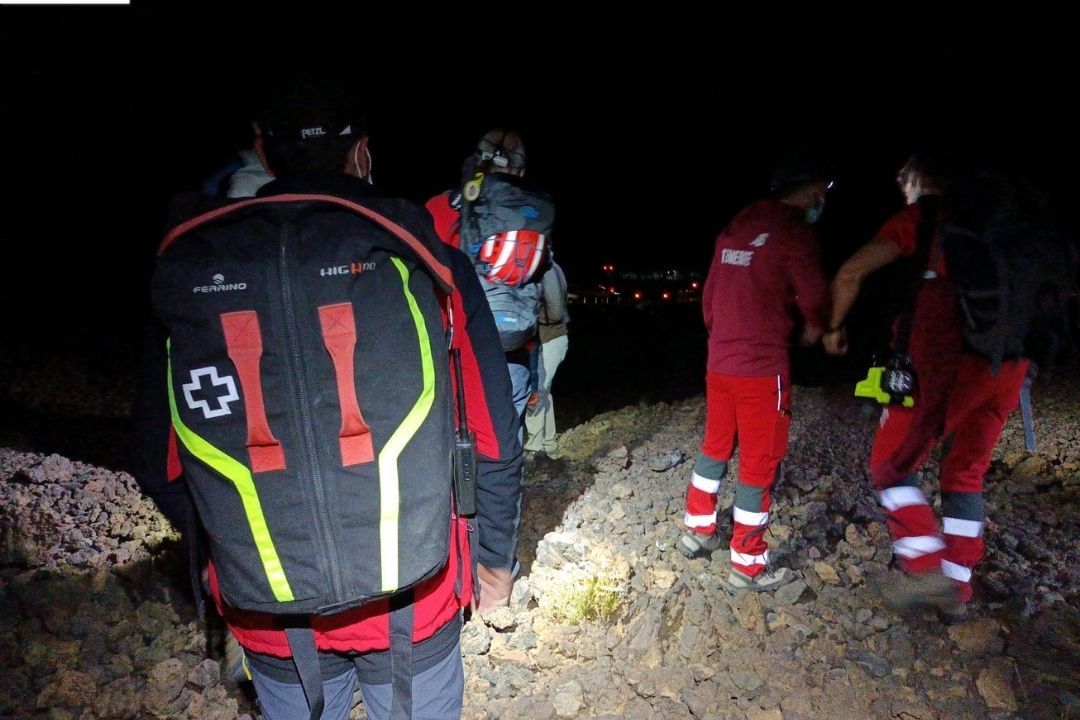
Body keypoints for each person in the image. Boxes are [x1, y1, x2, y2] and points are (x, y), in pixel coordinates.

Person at [135, 81, 523, 720]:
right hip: (415, 598)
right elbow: (494, 439)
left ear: (263, 151)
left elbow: (161, 464)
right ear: (362, 153)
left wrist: (233, 548)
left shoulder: (191, 263)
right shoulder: (425, 257)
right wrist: (495, 561)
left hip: (268, 608)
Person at [825, 153, 1029, 623]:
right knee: (965, 472)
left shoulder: (922, 217)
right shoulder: (1001, 222)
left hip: (945, 362)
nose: (902, 187)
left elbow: (851, 271)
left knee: (891, 464)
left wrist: (833, 326)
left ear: (919, 177)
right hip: (1008, 363)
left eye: (904, 178)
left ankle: (925, 568)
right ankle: (957, 586)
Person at [678, 164, 832, 593]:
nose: (824, 197)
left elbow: (709, 300)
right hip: (762, 369)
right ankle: (748, 564)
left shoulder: (737, 226)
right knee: (759, 464)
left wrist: (724, 340)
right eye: (824, 188)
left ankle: (698, 530)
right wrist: (819, 325)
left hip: (720, 363)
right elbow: (816, 299)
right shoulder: (795, 233)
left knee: (714, 447)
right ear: (811, 188)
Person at [425, 129, 543, 443]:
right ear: (520, 172)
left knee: (449, 445)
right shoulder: (530, 217)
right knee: (506, 445)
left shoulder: (437, 208)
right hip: (509, 354)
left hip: (451, 355)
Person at [524, 259, 570, 459]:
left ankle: (534, 448)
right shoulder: (553, 266)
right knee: (544, 392)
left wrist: (529, 317)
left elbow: (555, 311)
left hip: (549, 339)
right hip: (554, 338)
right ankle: (549, 444)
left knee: (536, 392)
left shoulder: (545, 269)